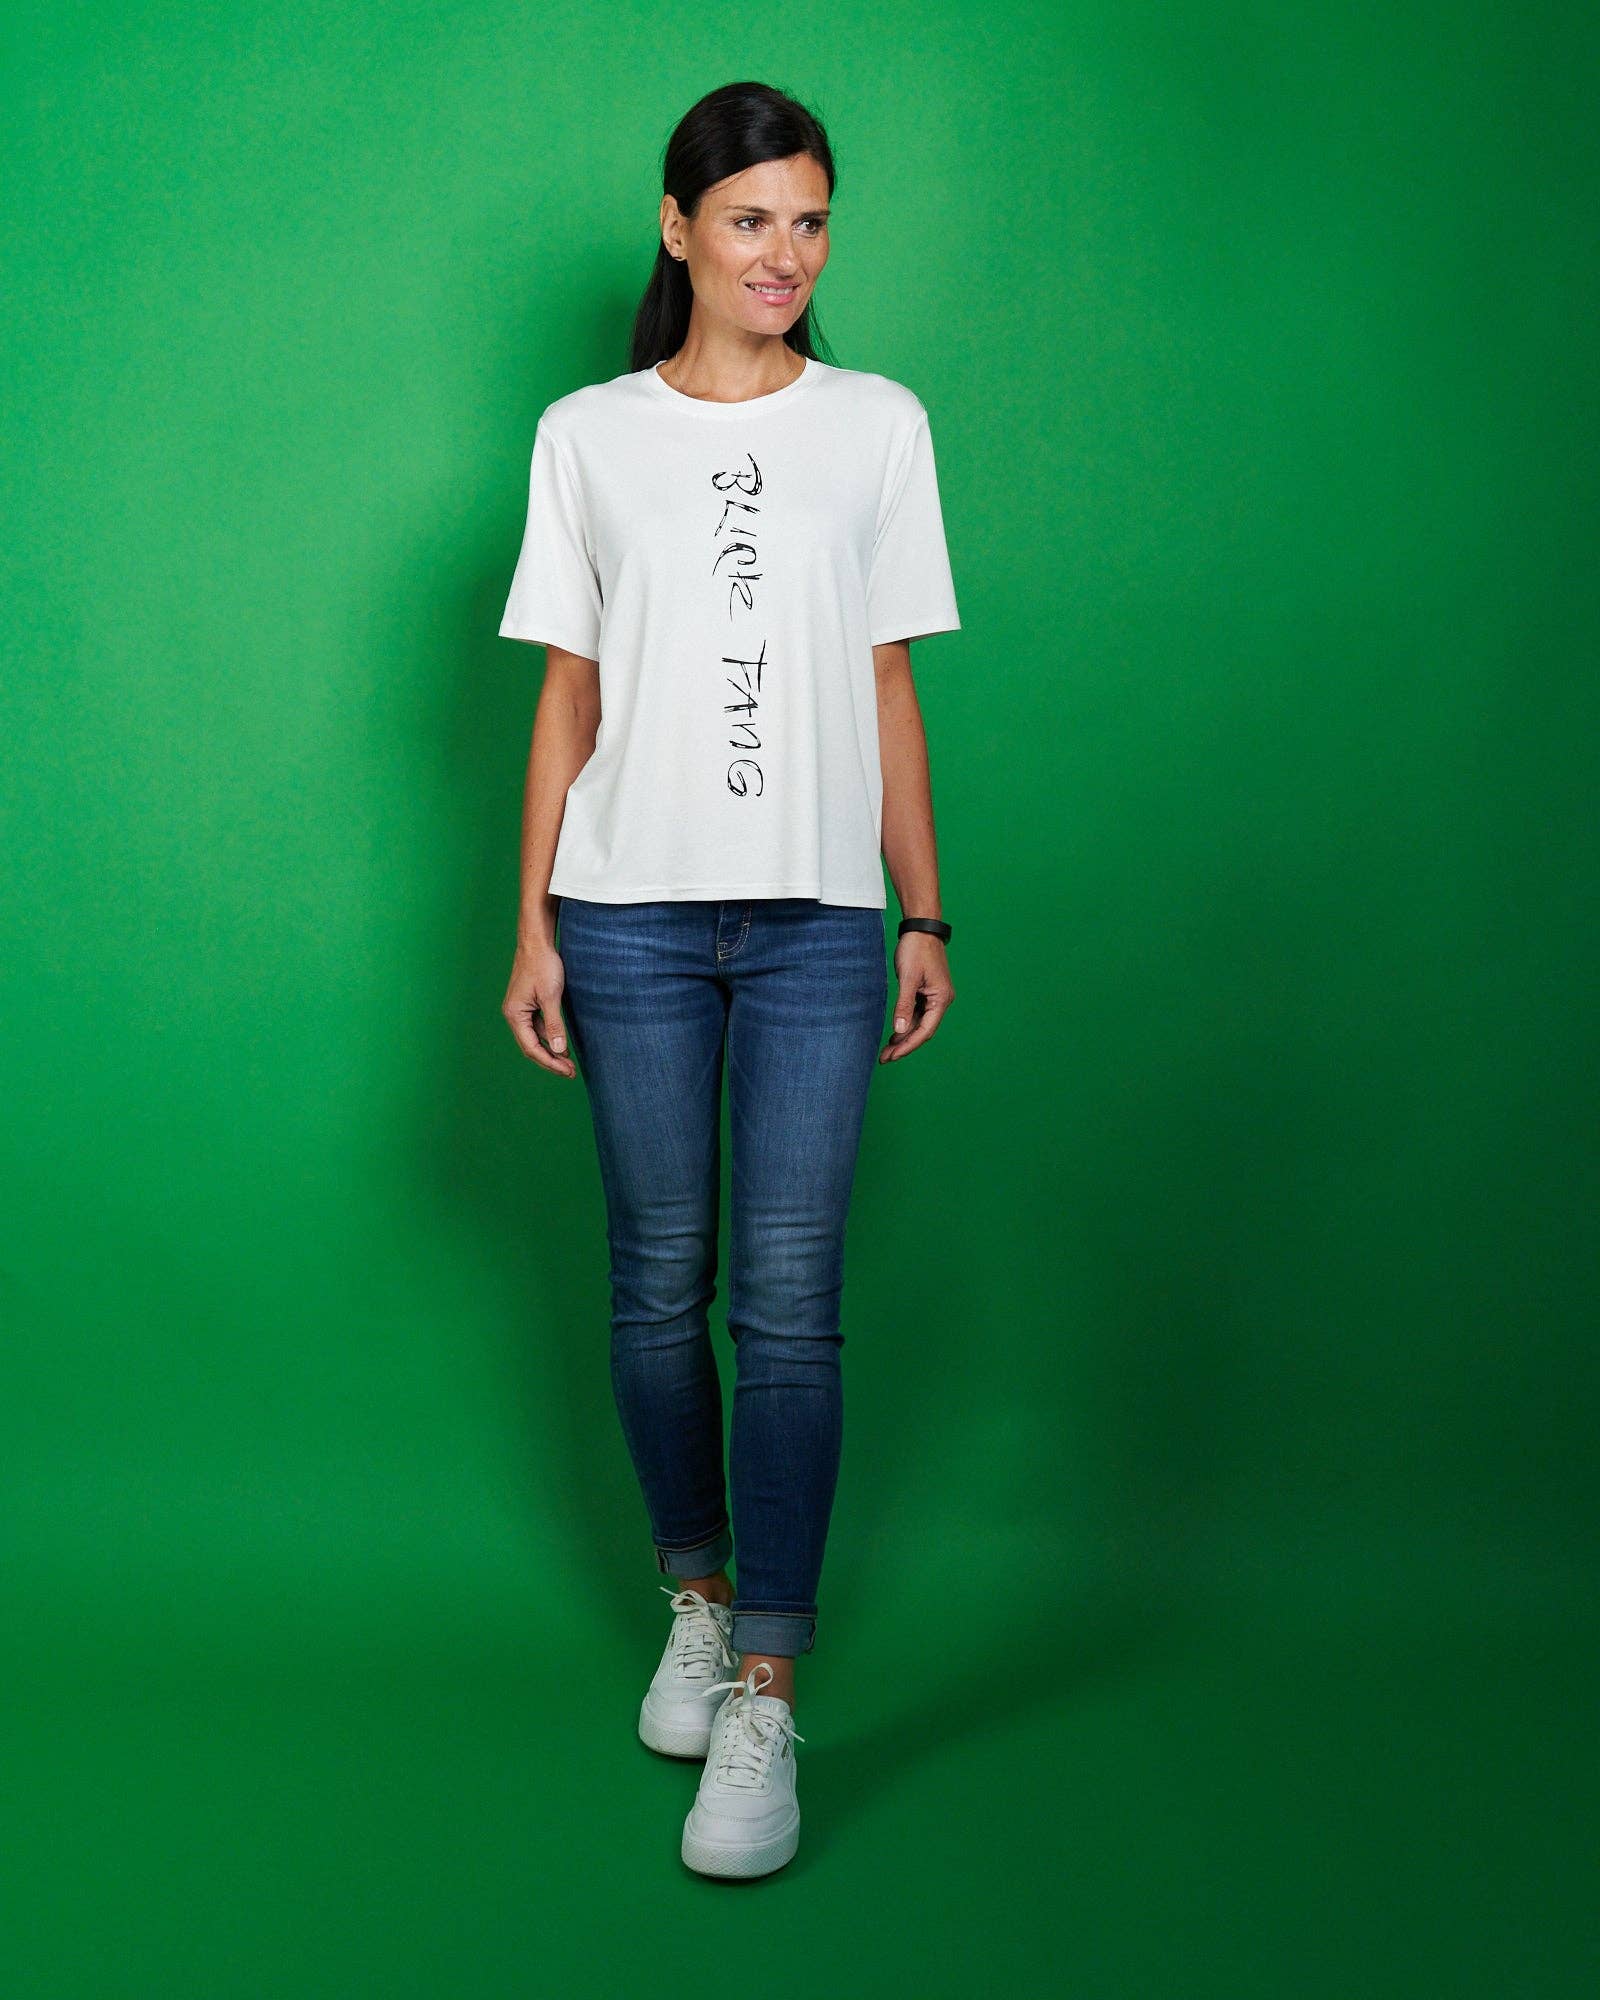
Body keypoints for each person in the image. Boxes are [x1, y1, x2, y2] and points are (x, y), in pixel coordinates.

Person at [496, 80, 961, 1880]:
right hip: (623, 915)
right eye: (753, 218)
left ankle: (766, 1685)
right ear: (679, 226)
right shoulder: (588, 436)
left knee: (788, 1304)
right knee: (652, 1289)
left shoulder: (878, 426)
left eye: (812, 220)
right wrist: (533, 924)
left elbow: (889, 682)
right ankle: (693, 1596)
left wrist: (923, 914)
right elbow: (568, 693)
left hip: (819, 927)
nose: (786, 254)